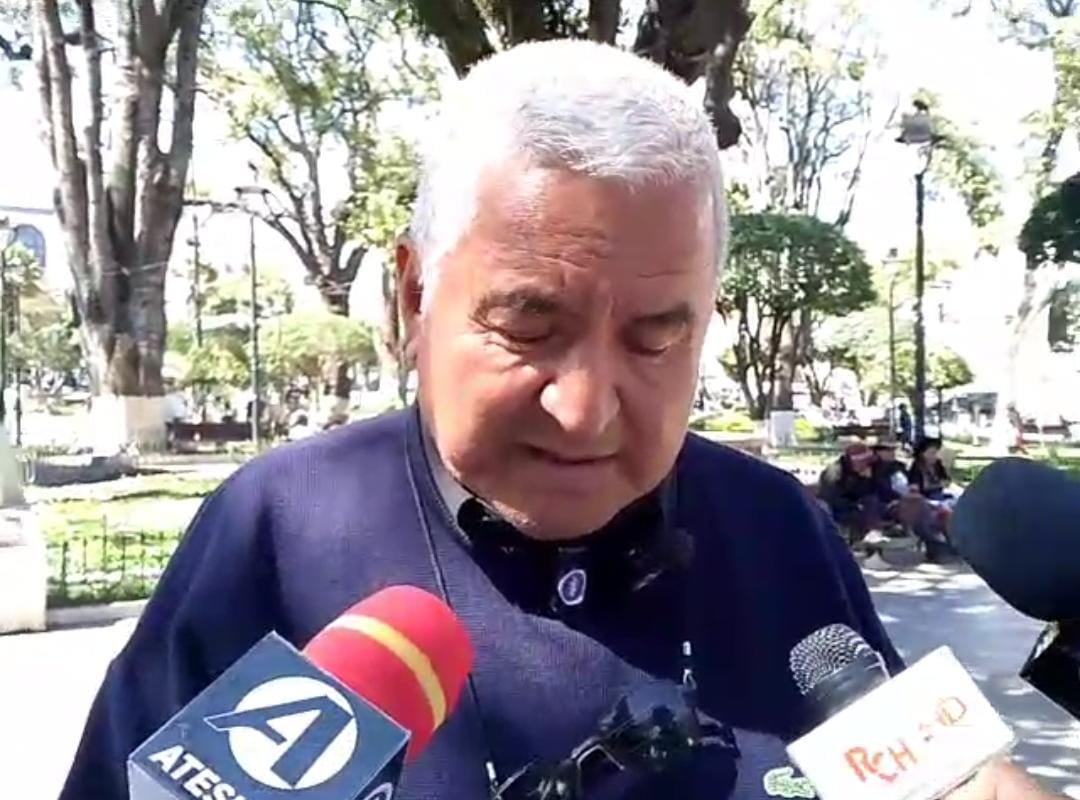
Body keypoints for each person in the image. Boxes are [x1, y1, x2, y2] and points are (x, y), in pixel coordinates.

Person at [59, 41, 1054, 800]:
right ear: (413, 297)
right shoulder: (276, 529)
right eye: (528, 325)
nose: (584, 411)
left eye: (657, 338)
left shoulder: (779, 527)